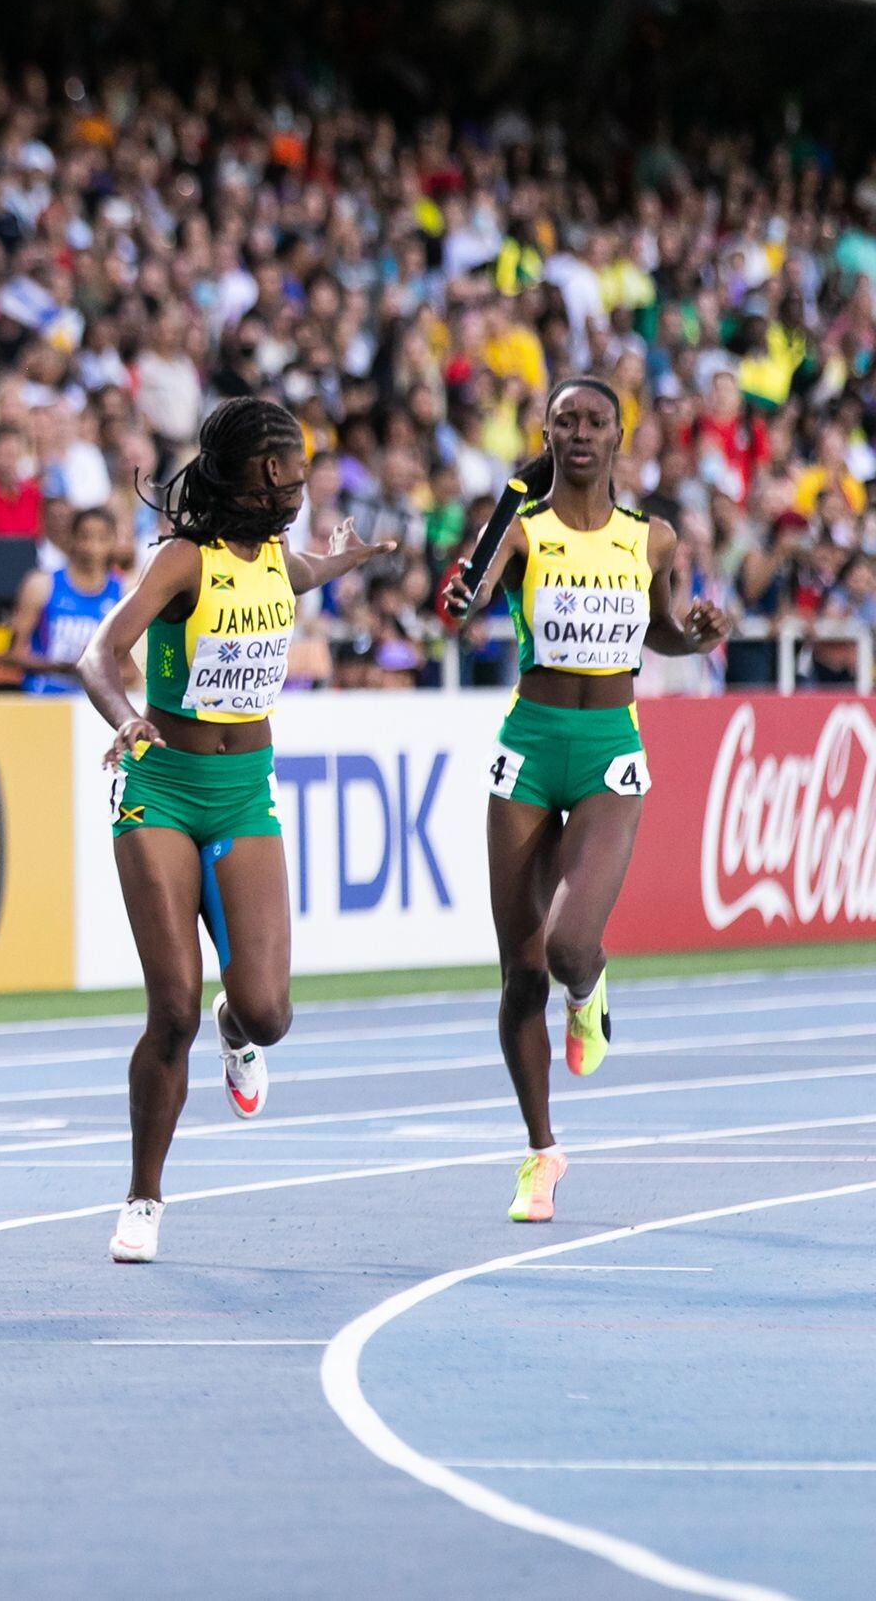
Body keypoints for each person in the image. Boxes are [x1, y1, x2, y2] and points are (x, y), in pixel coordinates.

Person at [76, 397, 393, 1264]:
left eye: (298, 477)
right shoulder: (183, 558)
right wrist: (126, 716)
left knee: (267, 1012)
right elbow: (98, 653)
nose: (294, 490)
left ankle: (237, 1026)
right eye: (278, 476)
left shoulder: (275, 557)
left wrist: (342, 560)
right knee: (171, 1005)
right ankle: (143, 1196)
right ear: (239, 475)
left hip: (245, 793)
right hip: (161, 789)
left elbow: (295, 574)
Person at [441, 377, 728, 1223]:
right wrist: (462, 593)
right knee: (520, 972)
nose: (579, 431)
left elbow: (658, 627)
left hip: (607, 752)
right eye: (564, 419)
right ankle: (541, 1152)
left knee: (570, 947)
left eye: (595, 420)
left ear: (617, 437)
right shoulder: (521, 529)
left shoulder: (651, 537)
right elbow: (470, 590)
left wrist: (693, 637)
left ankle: (590, 985)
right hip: (528, 751)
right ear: (546, 433)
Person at [5, 506, 128, 694]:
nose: (92, 547)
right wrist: (62, 667)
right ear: (72, 538)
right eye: (85, 537)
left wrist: (98, 668)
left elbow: (131, 671)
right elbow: (12, 654)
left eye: (101, 538)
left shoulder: (123, 593)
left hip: (94, 700)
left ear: (113, 541)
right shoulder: (42, 585)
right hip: (45, 695)